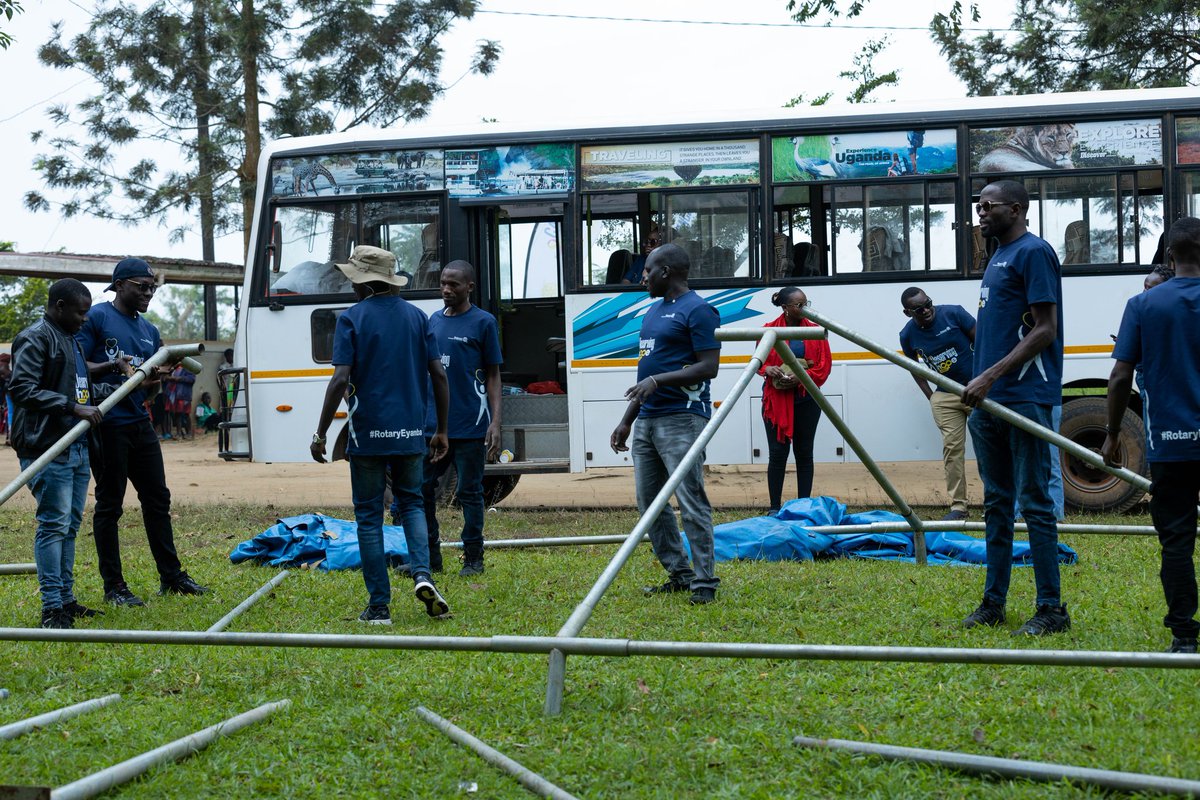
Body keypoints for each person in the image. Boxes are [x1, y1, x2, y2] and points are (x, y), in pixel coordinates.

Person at [311, 245, 452, 624]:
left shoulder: (352, 318)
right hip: (411, 432)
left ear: (363, 282)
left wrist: (321, 433)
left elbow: (340, 379)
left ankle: (378, 607)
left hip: (367, 436)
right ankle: (422, 574)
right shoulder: (418, 317)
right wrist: (441, 429)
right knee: (413, 504)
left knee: (370, 516)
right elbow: (439, 375)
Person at [961, 179, 1069, 636]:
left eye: (989, 206)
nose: (981, 212)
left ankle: (1051, 609)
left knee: (1036, 503)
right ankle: (993, 603)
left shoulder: (1033, 252)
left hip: (1024, 397)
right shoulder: (996, 257)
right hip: (989, 403)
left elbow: (1045, 329)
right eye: (978, 206)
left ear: (1018, 209)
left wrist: (989, 376)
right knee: (996, 503)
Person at [77, 257, 210, 606]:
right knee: (110, 506)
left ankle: (172, 576)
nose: (149, 292)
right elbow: (78, 365)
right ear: (119, 285)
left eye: (153, 287)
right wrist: (114, 365)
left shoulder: (149, 332)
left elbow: (148, 389)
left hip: (139, 423)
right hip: (107, 423)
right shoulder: (97, 318)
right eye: (142, 286)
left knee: (157, 500)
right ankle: (114, 587)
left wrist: (155, 381)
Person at [1102, 218, 1200, 654]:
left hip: (1171, 443)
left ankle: (1184, 635)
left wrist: (1111, 434)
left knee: (1176, 540)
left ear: (1169, 256)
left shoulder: (1143, 304)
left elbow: (1120, 376)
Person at [610, 243, 722, 605]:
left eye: (647, 271)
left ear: (666, 272)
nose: (642, 277)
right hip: (647, 419)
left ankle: (705, 582)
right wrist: (627, 420)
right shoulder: (652, 312)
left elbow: (709, 367)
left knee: (690, 500)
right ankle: (680, 573)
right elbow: (647, 372)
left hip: (682, 418)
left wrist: (658, 382)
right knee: (650, 503)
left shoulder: (699, 310)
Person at [9, 280, 108, 629]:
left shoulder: (72, 340)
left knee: (69, 525)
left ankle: (67, 599)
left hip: (76, 445)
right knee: (53, 524)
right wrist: (71, 407)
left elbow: (82, 390)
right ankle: (52, 608)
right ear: (60, 306)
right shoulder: (35, 337)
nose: (85, 319)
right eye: (81, 312)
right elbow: (21, 388)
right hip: (47, 446)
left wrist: (134, 381)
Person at [417, 260, 502, 577]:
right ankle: (431, 558)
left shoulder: (484, 322)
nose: (446, 289)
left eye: (453, 284)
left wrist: (495, 421)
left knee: (469, 493)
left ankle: (473, 558)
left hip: (469, 425)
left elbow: (493, 375)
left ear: (470, 287)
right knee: (422, 490)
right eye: (443, 283)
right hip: (433, 427)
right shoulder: (433, 321)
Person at [898, 287, 975, 521]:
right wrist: (931, 396)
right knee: (952, 450)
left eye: (928, 304)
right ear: (907, 312)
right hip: (946, 396)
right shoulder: (907, 335)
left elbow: (984, 343)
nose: (926, 310)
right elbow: (914, 368)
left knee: (989, 446)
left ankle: (998, 502)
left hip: (976, 390)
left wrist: (984, 380)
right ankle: (959, 507)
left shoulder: (954, 314)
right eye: (919, 309)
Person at [759, 286, 831, 515]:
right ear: (785, 308)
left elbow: (824, 367)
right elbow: (759, 362)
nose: (805, 308)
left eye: (806, 303)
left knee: (804, 452)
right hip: (776, 400)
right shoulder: (769, 330)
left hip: (807, 398)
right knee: (777, 453)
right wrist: (768, 369)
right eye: (799, 305)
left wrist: (802, 377)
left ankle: (803, 506)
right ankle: (774, 507)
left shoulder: (816, 331)